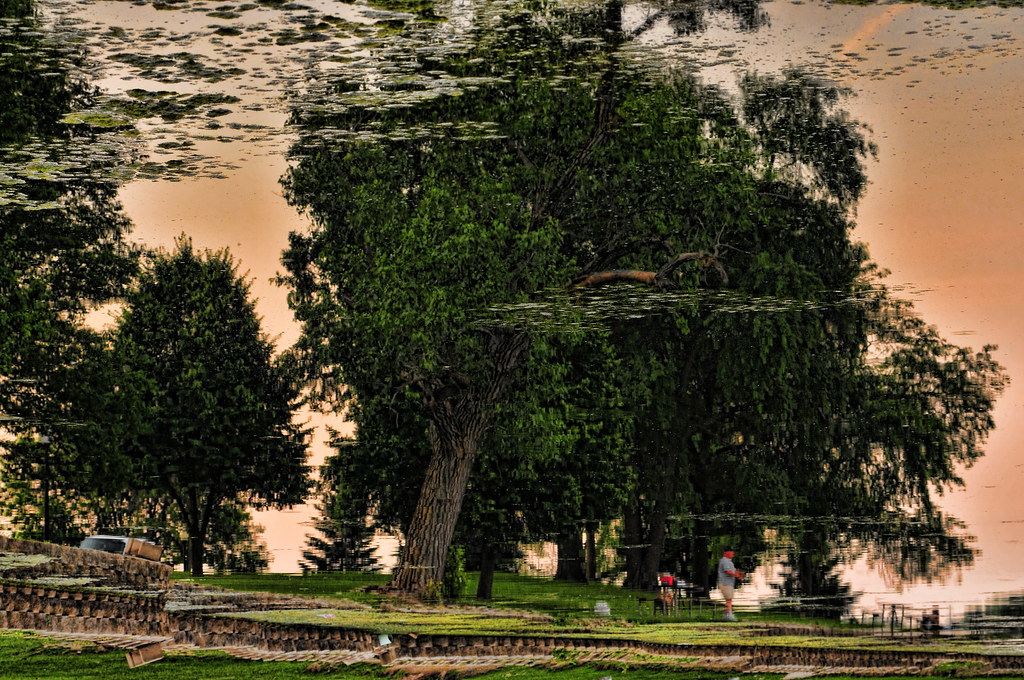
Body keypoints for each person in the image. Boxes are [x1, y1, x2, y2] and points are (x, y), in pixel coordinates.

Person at [717, 546, 745, 622]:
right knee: (728, 600)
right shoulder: (724, 561)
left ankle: (727, 615)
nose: (733, 553)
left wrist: (739, 575)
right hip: (725, 583)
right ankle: (729, 615)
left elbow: (733, 571)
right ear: (727, 552)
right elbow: (728, 571)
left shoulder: (729, 562)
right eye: (731, 551)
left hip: (729, 584)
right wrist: (736, 575)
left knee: (729, 600)